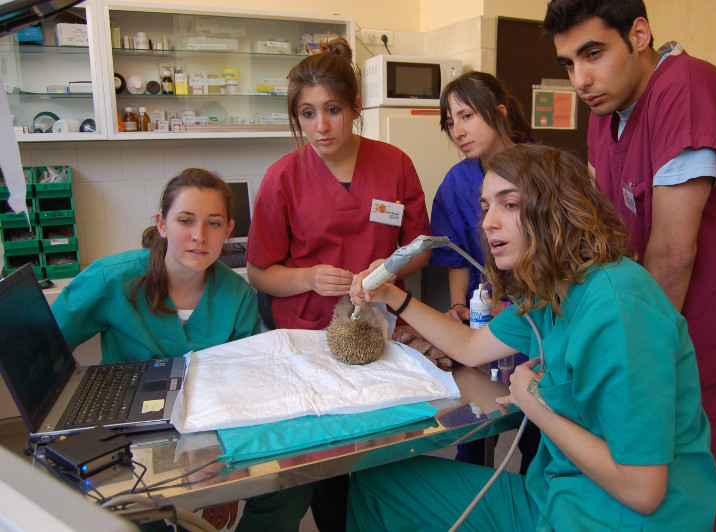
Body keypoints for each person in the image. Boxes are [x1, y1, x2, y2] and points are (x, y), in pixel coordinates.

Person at [347, 143, 716, 531]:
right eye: (486, 207)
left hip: (612, 519)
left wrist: (535, 405)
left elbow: (642, 489)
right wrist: (391, 295)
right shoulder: (553, 291)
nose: (488, 222)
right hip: (559, 496)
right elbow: (470, 347)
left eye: (509, 204)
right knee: (376, 485)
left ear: (559, 209)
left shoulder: (619, 306)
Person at [543, 0, 716, 480]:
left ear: (638, 35)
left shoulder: (687, 91)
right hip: (651, 316)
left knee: (675, 492)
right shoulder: (606, 109)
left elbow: (672, 255)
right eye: (569, 63)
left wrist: (631, 358)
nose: (580, 80)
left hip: (709, 329)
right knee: (636, 478)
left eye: (593, 54)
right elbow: (600, 222)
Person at [245, 38, 431, 531]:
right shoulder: (282, 178)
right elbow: (259, 272)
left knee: (382, 449)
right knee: (328, 462)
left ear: (354, 108)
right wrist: (308, 277)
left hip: (379, 329)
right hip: (310, 337)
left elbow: (420, 248)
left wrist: (389, 268)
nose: (320, 127)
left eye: (332, 110)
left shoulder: (394, 164)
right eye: (307, 114)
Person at [51, 168, 261, 530]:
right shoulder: (111, 279)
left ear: (228, 229)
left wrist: (228, 473)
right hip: (121, 435)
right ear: (162, 224)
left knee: (284, 493)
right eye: (185, 220)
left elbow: (242, 392)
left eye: (213, 223)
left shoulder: (237, 295)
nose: (199, 236)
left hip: (203, 436)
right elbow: (47, 349)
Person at [429, 71, 539, 470]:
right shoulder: (457, 181)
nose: (457, 131)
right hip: (484, 315)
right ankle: (477, 489)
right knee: (475, 423)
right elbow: (457, 255)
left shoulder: (541, 171)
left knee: (536, 426)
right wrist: (461, 305)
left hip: (535, 313)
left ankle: (528, 493)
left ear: (500, 113)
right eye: (450, 122)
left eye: (467, 116)